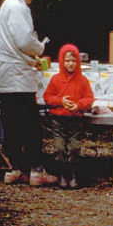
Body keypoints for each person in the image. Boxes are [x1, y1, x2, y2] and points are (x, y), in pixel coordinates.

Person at [0, 0, 58, 186]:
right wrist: (39, 47)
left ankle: (17, 168)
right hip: (16, 75)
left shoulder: (9, 5)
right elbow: (24, 40)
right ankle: (36, 170)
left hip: (6, 74)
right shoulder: (17, 7)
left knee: (11, 123)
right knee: (29, 124)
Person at [42, 43, 95, 189]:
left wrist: (78, 105)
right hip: (58, 121)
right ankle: (62, 174)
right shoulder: (55, 79)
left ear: (78, 62)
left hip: (75, 121)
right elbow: (47, 97)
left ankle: (73, 174)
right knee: (60, 149)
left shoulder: (82, 80)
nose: (70, 64)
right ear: (61, 61)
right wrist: (61, 101)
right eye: (67, 61)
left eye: (73, 60)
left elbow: (89, 99)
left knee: (74, 149)